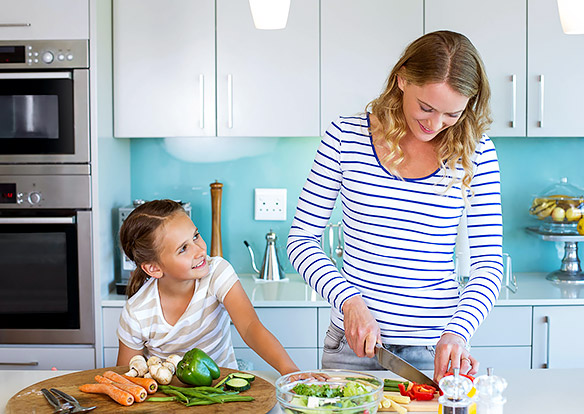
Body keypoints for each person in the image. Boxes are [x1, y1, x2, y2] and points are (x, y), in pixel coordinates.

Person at [287, 30, 503, 383]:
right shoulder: (345, 136)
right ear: (402, 79)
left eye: (452, 114)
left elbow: (488, 263)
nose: (435, 125)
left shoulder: (476, 152)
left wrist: (459, 331)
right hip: (353, 348)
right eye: (426, 107)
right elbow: (300, 241)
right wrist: (349, 302)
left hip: (434, 351)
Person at [116, 199, 301, 376]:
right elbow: (128, 375)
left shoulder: (217, 273)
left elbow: (249, 327)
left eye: (195, 236)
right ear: (154, 268)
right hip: (168, 400)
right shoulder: (137, 312)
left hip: (222, 391)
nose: (200, 250)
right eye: (183, 249)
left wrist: (289, 370)